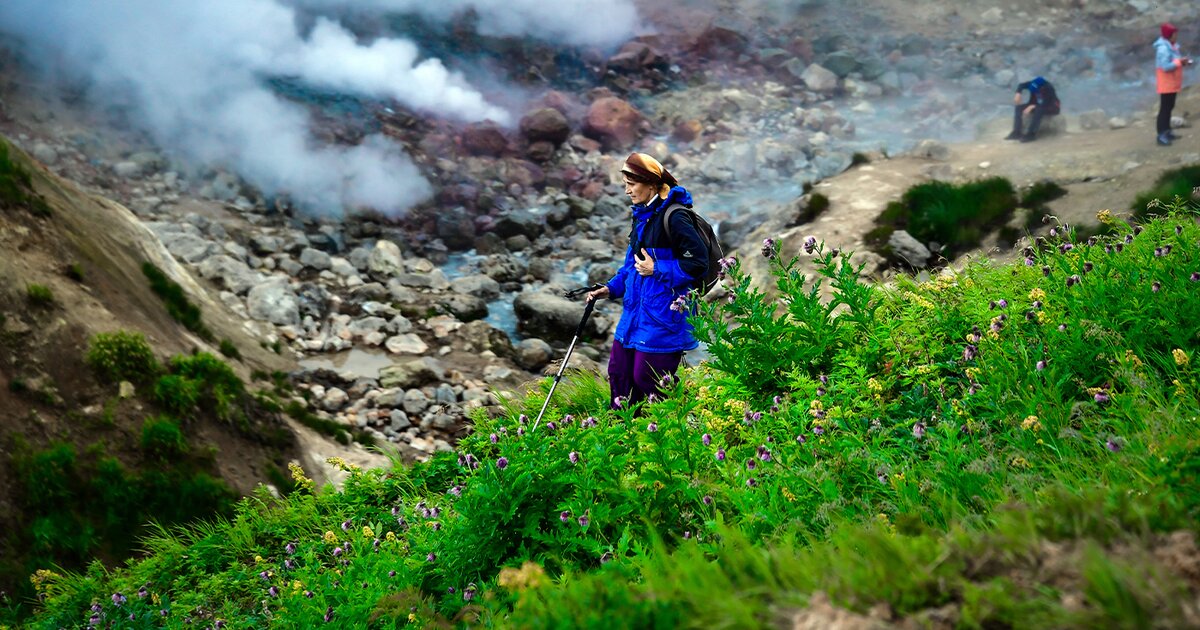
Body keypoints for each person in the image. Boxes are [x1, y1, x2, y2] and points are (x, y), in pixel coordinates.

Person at [586, 153, 709, 410]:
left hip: (665, 316)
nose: (627, 190)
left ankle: (683, 419)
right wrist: (610, 288)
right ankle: (624, 437)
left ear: (651, 183)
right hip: (635, 316)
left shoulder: (675, 217)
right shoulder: (643, 215)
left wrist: (658, 268)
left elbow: (699, 262)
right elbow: (632, 265)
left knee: (649, 379)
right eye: (625, 183)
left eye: (632, 183)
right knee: (619, 375)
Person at [1154, 22, 1193, 146]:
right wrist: (1178, 62)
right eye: (1175, 34)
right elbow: (1166, 67)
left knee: (1169, 107)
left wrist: (1182, 62)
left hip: (1172, 82)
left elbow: (1174, 61)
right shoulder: (1163, 49)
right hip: (1166, 83)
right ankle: (1161, 135)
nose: (1177, 36)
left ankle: (1167, 131)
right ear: (1169, 35)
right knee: (1165, 109)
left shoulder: (1172, 45)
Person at [1006, 76, 1060, 142]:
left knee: (1039, 110)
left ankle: (1031, 134)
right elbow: (1021, 85)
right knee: (1018, 108)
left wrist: (1032, 106)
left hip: (1051, 107)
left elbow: (1046, 103)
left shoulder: (1048, 88)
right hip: (1036, 105)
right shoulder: (1033, 84)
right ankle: (1016, 132)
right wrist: (1018, 93)